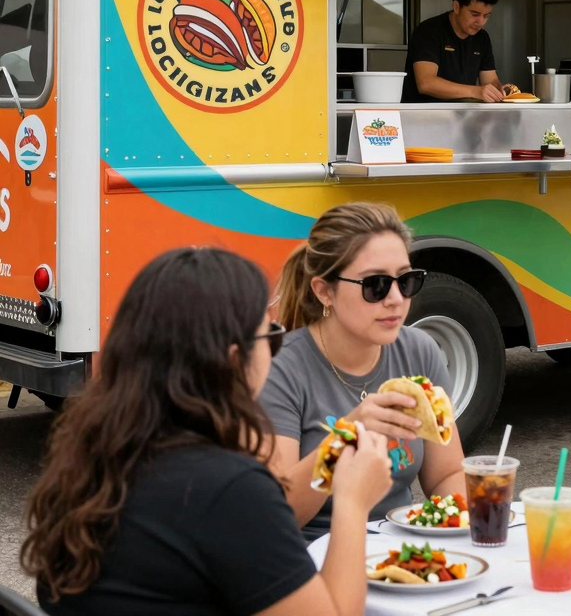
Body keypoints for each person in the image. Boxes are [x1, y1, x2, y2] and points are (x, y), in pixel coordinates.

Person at [21, 247, 393, 616]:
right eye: (271, 338)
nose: (277, 354)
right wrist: (353, 502)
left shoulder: (99, 449)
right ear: (235, 361)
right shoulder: (227, 487)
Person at [261, 202, 466, 541]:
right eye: (376, 285)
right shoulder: (281, 368)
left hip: (400, 550)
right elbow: (278, 514)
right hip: (313, 557)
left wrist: (463, 520)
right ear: (324, 291)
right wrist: (346, 436)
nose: (396, 299)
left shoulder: (420, 352)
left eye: (407, 280)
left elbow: (447, 475)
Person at [402, 0, 505, 102]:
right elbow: (426, 83)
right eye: (475, 14)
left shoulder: (482, 38)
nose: (481, 22)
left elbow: (490, 80)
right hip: (423, 116)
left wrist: (500, 90)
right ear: (456, 7)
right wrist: (475, 91)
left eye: (486, 16)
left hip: (461, 117)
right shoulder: (429, 31)